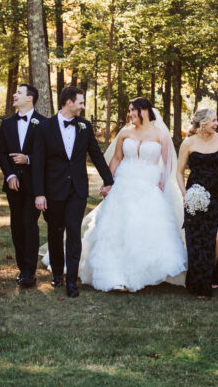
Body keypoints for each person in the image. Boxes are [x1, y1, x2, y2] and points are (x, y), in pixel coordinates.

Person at [77, 97, 187, 293]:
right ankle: (114, 275)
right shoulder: (125, 132)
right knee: (116, 229)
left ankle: (144, 273)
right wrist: (108, 182)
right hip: (124, 184)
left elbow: (168, 163)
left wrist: (162, 184)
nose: (130, 114)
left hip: (148, 186)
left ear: (144, 110)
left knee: (143, 230)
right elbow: (117, 158)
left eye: (133, 110)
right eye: (129, 111)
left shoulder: (160, 134)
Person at [32, 86, 114, 298]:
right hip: (53, 191)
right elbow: (38, 163)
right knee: (55, 232)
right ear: (68, 102)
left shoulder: (85, 127)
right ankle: (58, 274)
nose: (83, 106)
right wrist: (39, 193)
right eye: (81, 102)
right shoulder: (44, 127)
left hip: (77, 190)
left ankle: (71, 282)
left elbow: (96, 154)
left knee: (74, 233)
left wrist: (109, 180)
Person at [176, 108, 218, 298]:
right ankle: (199, 281)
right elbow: (179, 172)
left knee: (217, 237)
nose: (217, 124)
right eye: (214, 121)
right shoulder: (188, 143)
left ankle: (211, 274)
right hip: (196, 195)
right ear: (202, 123)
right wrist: (185, 193)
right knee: (197, 239)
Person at [0, 84, 47, 288]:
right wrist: (9, 175)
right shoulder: (7, 124)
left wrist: (28, 159)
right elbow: (1, 152)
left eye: (19, 93)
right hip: (13, 185)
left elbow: (48, 154)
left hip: (34, 184)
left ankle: (29, 271)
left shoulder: (44, 123)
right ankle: (22, 268)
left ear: (30, 98)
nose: (14, 95)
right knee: (16, 226)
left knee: (29, 224)